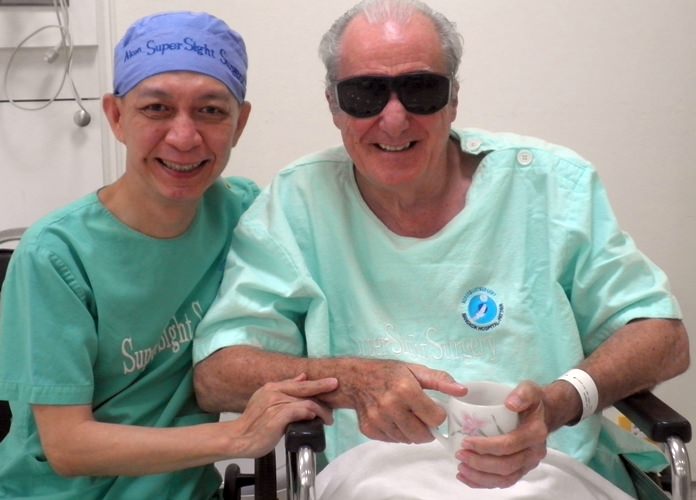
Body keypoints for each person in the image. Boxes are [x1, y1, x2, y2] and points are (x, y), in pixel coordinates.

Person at [192, 0, 689, 498]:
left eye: (421, 90)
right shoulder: (299, 203)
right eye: (365, 94)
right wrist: (352, 380)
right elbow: (218, 374)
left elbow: (664, 339)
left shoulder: (548, 186)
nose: (394, 120)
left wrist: (560, 403)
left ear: (453, 100)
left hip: (546, 469)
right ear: (333, 105)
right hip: (374, 476)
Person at [0, 11, 337, 500]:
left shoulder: (242, 214)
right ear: (117, 117)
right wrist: (238, 437)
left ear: (240, 123)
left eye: (211, 111)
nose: (183, 137)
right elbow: (67, 446)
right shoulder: (56, 256)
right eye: (157, 109)